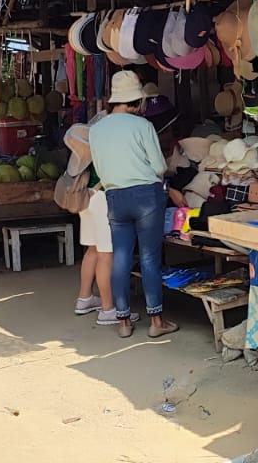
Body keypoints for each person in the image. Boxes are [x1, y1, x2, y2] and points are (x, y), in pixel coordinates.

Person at [90, 70, 177, 339]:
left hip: (115, 197)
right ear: (137, 101)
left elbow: (101, 170)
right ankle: (156, 321)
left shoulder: (96, 129)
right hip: (146, 196)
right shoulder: (143, 126)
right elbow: (160, 167)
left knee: (121, 257)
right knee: (150, 258)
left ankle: (124, 322)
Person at [65, 115, 134, 326]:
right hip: (102, 199)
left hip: (86, 198)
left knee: (93, 250)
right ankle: (108, 309)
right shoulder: (106, 148)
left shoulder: (85, 150)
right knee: (106, 254)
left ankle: (84, 298)